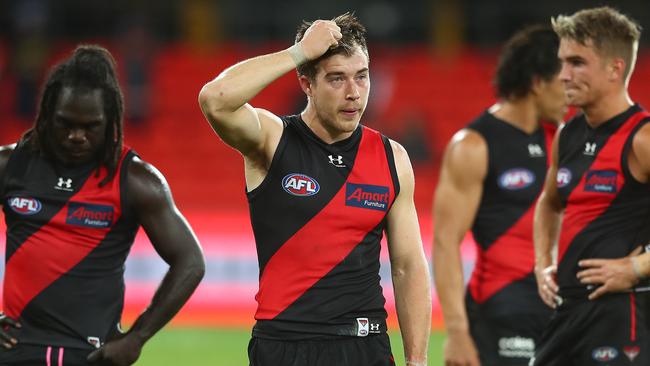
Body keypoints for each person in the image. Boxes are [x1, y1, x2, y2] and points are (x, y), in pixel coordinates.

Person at [198, 12, 431, 366]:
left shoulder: (392, 157)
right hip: (285, 345)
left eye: (362, 77)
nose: (353, 93)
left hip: (365, 345)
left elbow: (408, 265)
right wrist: (298, 51)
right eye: (337, 79)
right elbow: (215, 97)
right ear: (306, 83)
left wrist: (417, 360)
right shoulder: (272, 139)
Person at [0, 45, 205, 365]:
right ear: (47, 113)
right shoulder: (9, 165)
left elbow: (190, 261)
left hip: (92, 355)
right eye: (65, 123)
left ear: (110, 120)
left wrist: (138, 336)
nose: (76, 135)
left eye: (90, 126)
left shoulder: (136, 181)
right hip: (14, 350)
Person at [433, 25, 565, 366]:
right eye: (563, 83)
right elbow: (446, 243)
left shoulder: (566, 139)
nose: (571, 93)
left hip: (561, 314)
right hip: (499, 314)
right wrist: (458, 334)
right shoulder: (473, 146)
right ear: (538, 82)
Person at [532, 7, 650, 365]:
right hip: (567, 312)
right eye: (562, 62)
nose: (563, 75)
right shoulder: (567, 135)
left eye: (577, 63)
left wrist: (637, 268)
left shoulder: (642, 137)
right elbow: (549, 203)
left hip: (620, 314)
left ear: (615, 68)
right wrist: (543, 262)